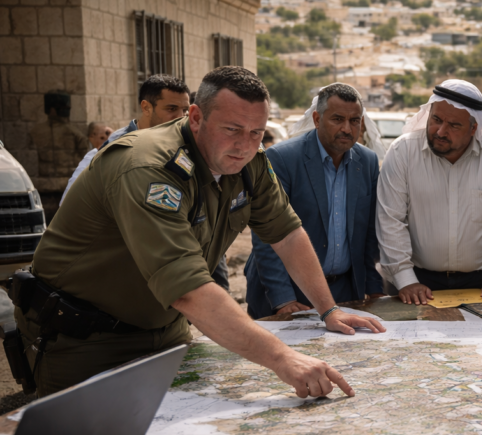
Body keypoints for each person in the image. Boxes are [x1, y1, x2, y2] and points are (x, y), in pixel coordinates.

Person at [12, 66, 383, 400]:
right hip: (85, 339)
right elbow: (187, 289)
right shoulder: (147, 167)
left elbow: (286, 233)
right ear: (195, 117)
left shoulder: (250, 162)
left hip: (166, 330)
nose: (245, 144)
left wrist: (328, 309)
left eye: (256, 132)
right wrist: (284, 358)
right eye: (232, 130)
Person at [376, 79, 482, 305]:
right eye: (436, 120)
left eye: (454, 125)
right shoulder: (402, 152)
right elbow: (390, 220)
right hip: (414, 284)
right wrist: (405, 279)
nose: (440, 131)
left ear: (473, 128)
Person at [245, 83, 383, 317]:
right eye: (338, 119)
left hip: (344, 292)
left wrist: (373, 288)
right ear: (317, 119)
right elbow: (267, 235)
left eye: (355, 121)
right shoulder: (282, 159)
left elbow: (368, 233)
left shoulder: (367, 162)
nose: (347, 129)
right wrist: (283, 299)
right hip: (288, 293)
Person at [61, 75, 191, 204]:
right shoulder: (114, 149)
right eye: (171, 109)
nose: (181, 117)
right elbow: (70, 205)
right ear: (146, 107)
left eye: (185, 110)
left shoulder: (182, 144)